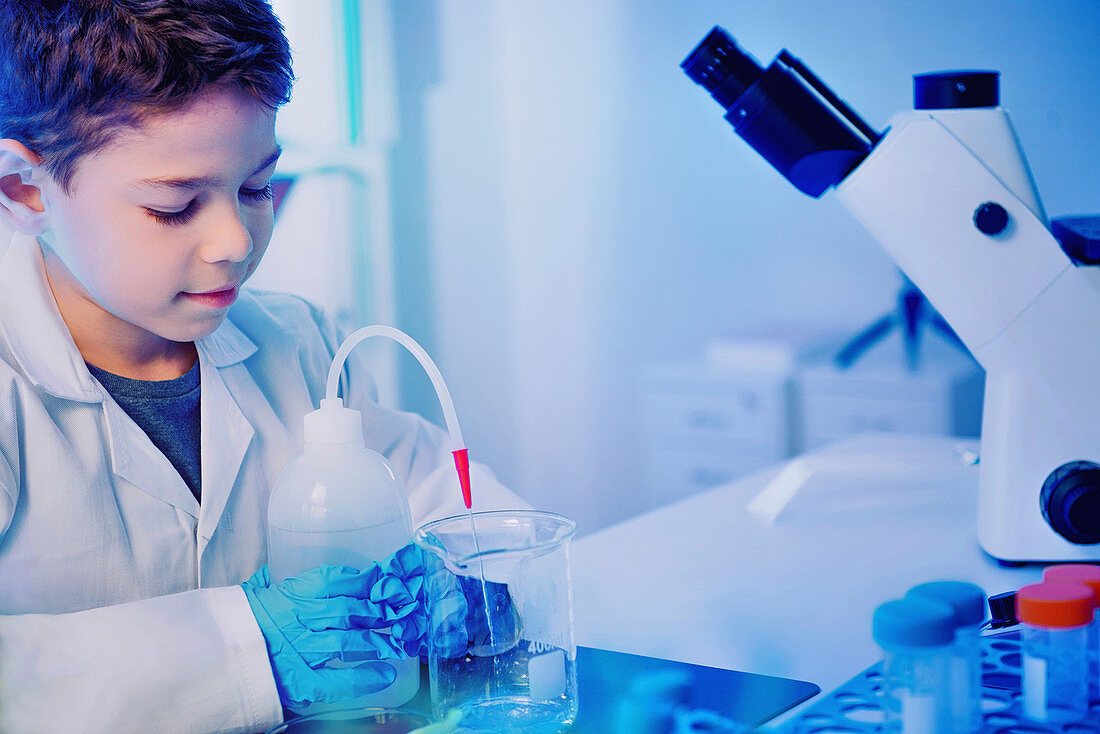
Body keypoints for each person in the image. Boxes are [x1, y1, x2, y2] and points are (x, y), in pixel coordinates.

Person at [0, 1, 525, 731]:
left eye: (256, 188)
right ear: (25, 189)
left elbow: (437, 487)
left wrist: (467, 577)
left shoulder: (293, 342)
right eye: (176, 206)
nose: (235, 243)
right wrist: (243, 647)